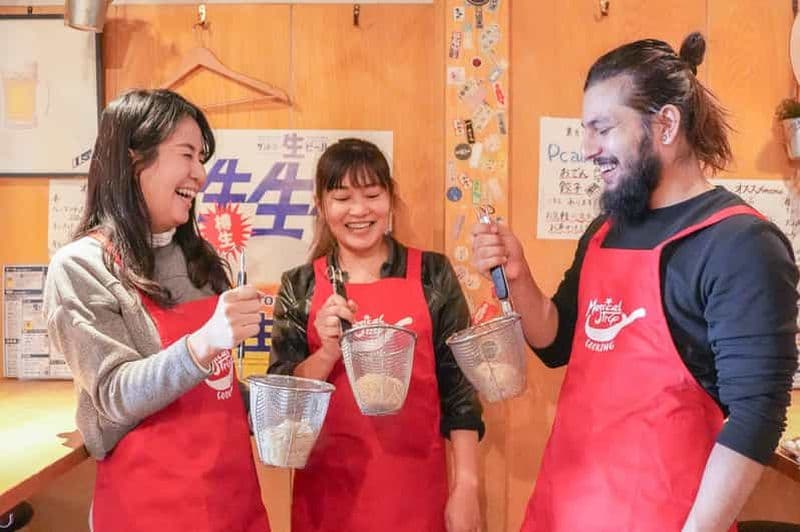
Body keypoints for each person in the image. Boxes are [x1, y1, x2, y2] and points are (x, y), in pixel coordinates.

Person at [472, 33, 799, 532]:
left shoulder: (741, 244)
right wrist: (518, 277)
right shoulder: (604, 231)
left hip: (666, 517)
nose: (588, 150)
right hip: (564, 509)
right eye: (585, 131)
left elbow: (756, 415)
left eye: (602, 129)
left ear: (665, 124)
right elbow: (555, 340)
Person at [43, 89, 270, 532]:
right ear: (133, 161)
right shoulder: (81, 266)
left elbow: (213, 389)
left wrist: (275, 403)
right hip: (152, 510)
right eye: (187, 154)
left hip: (231, 500)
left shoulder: (199, 259)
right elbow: (114, 394)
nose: (200, 174)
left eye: (201, 158)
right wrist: (205, 342)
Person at [269, 138, 485, 532]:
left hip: (416, 493)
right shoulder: (299, 286)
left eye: (372, 194)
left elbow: (460, 390)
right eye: (342, 198)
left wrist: (467, 485)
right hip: (328, 498)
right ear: (321, 205)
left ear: (390, 198)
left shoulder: (433, 274)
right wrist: (326, 353)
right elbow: (284, 407)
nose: (359, 210)